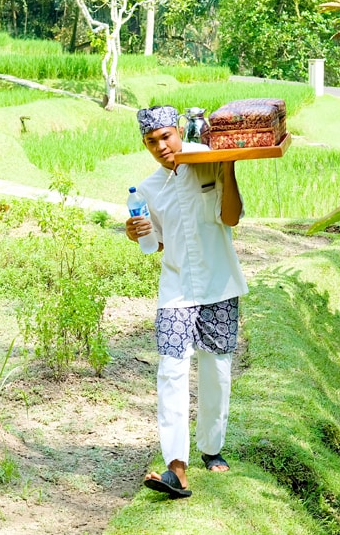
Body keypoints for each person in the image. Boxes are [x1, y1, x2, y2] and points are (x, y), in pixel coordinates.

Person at [125, 105, 248, 499]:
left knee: (217, 370)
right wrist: (136, 233)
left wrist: (227, 165)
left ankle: (211, 448)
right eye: (151, 141)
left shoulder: (207, 162)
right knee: (171, 371)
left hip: (220, 284)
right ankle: (176, 466)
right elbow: (157, 242)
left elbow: (231, 218)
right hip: (175, 289)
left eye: (166, 136)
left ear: (178, 130)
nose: (161, 146)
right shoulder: (148, 189)